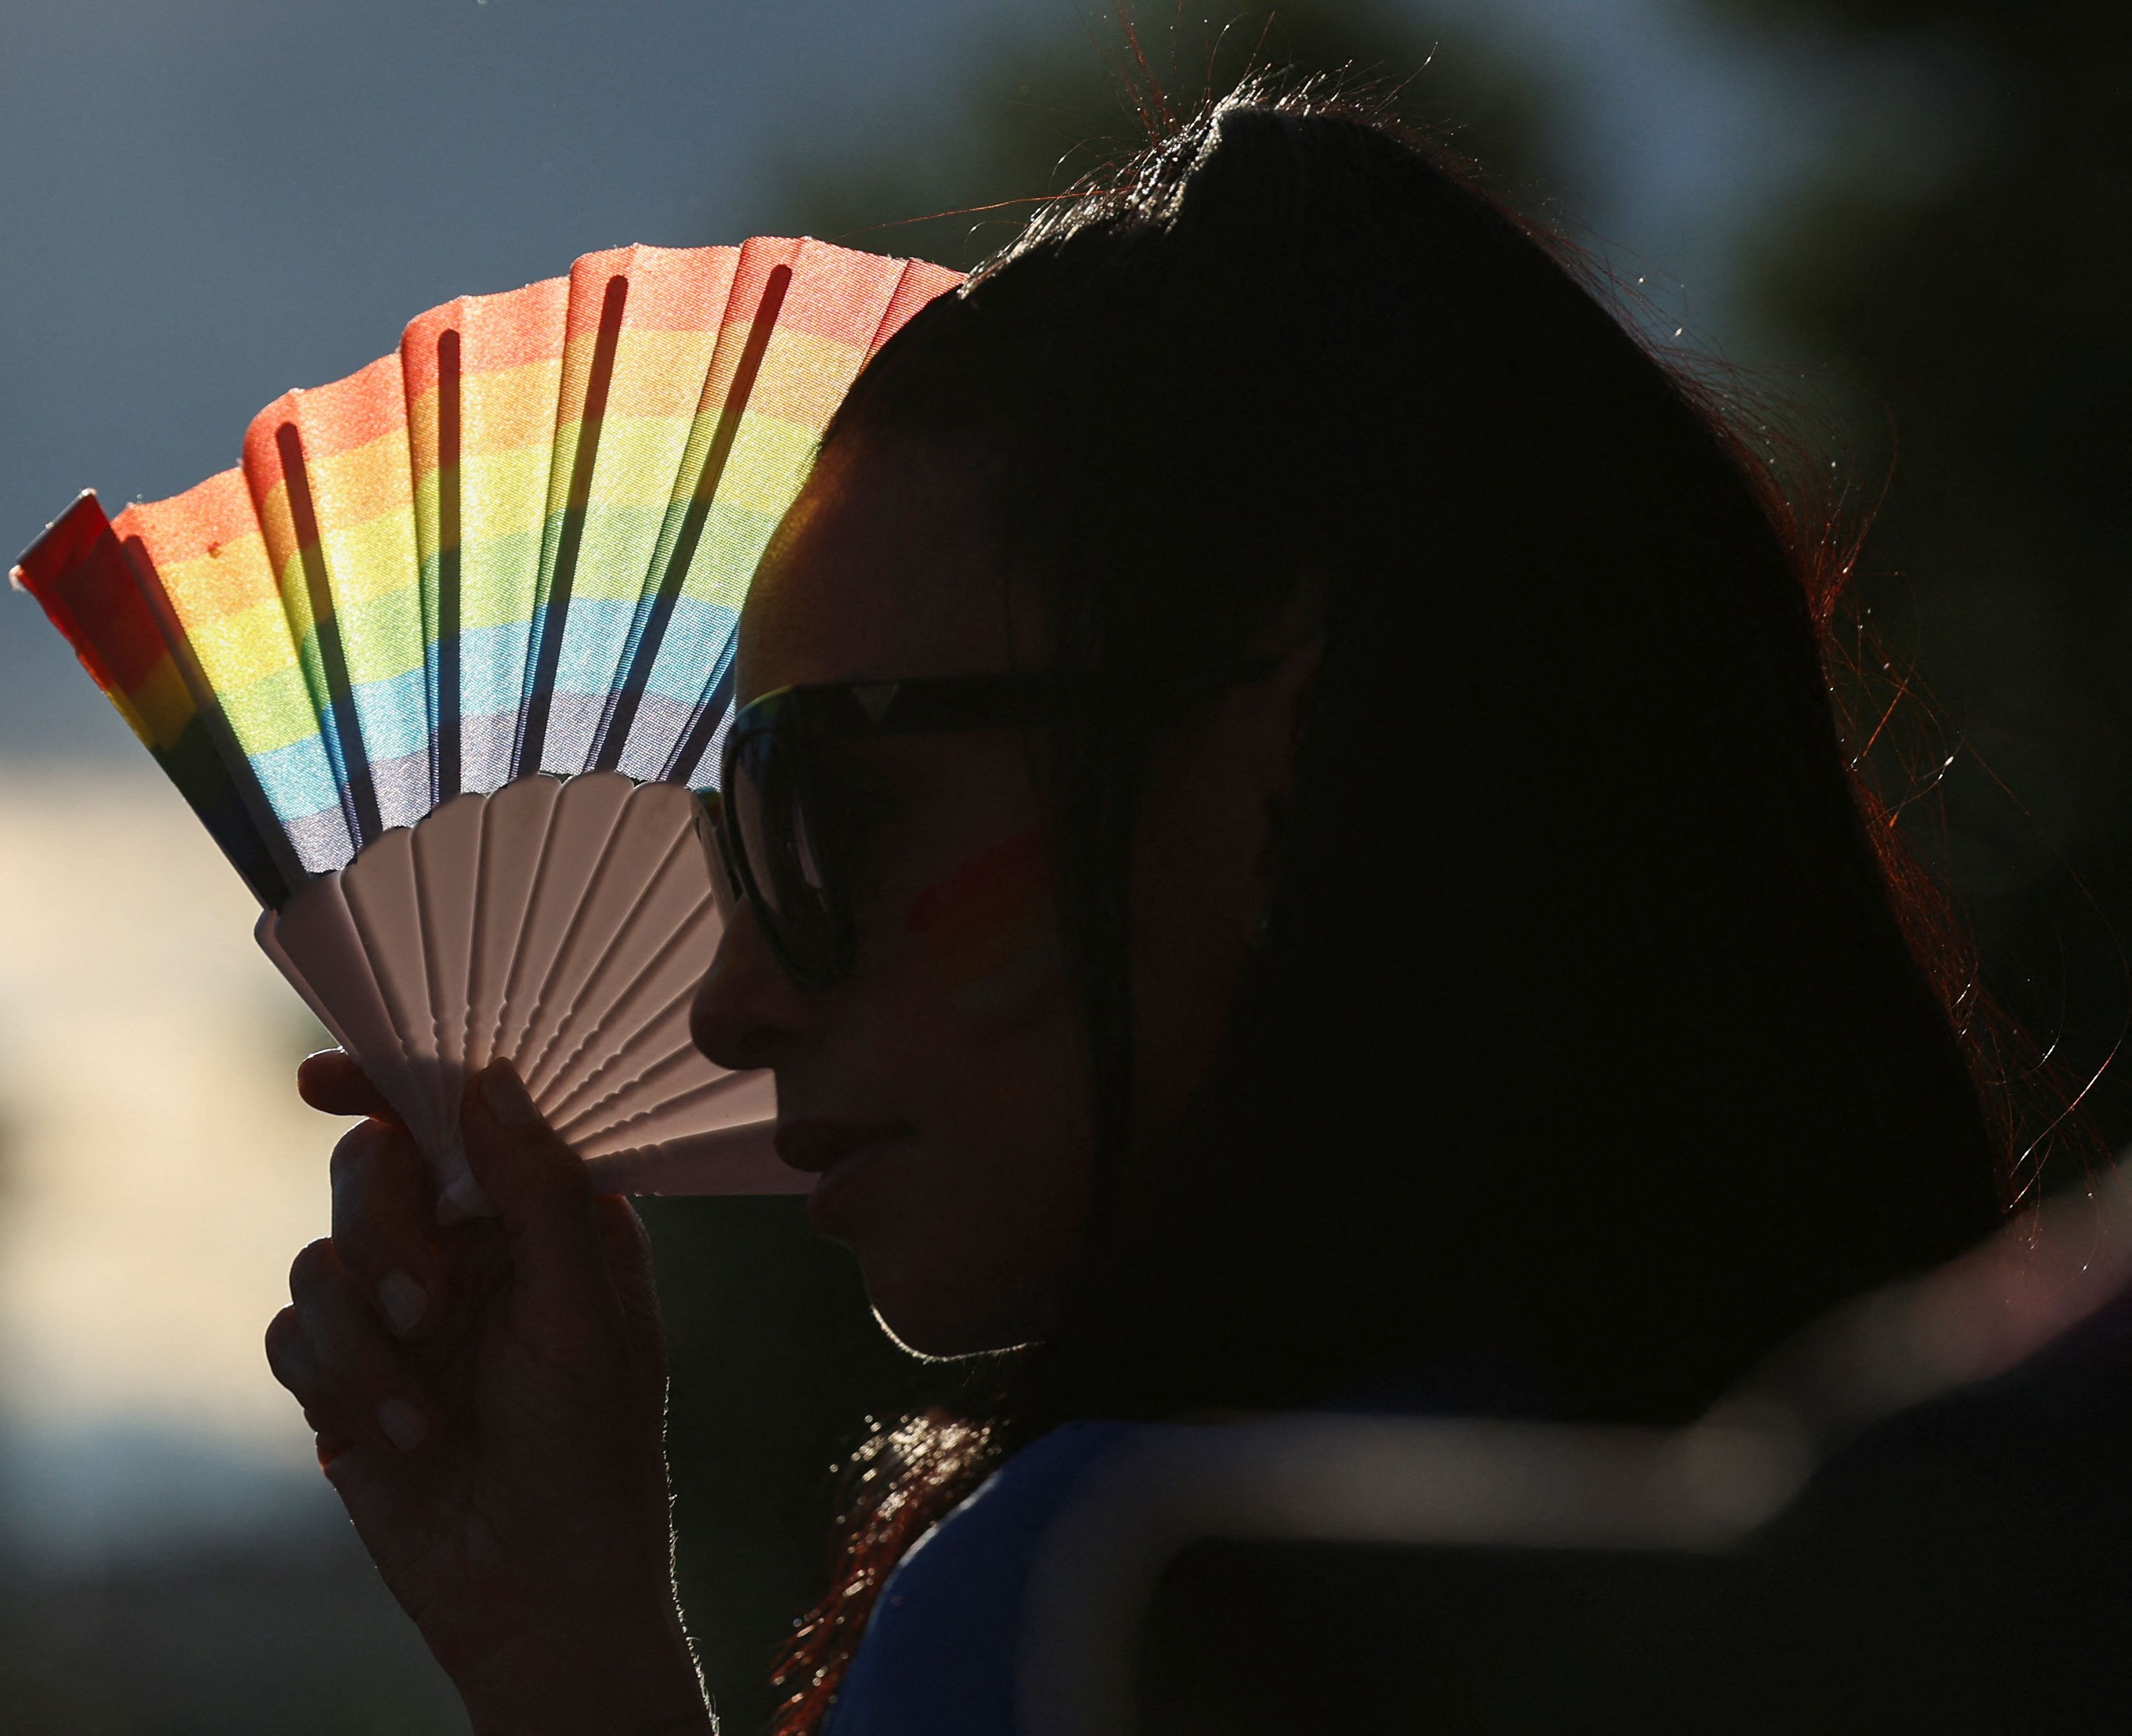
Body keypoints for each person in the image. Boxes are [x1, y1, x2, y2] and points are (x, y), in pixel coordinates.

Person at [263, 75, 2046, 1735]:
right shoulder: (1956, 1529)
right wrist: (569, 1629)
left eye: (840, 808)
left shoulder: (1116, 1602)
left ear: (1284, 743)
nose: (732, 1000)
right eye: (728, 843)